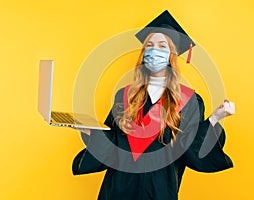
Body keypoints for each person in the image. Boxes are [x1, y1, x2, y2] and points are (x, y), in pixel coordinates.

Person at [72, 10, 235, 200]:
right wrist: (90, 131)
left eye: (162, 46)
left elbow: (190, 148)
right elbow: (113, 144)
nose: (153, 50)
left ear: (171, 55)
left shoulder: (188, 100)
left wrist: (215, 118)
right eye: (149, 45)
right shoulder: (125, 95)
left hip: (160, 190)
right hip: (119, 188)